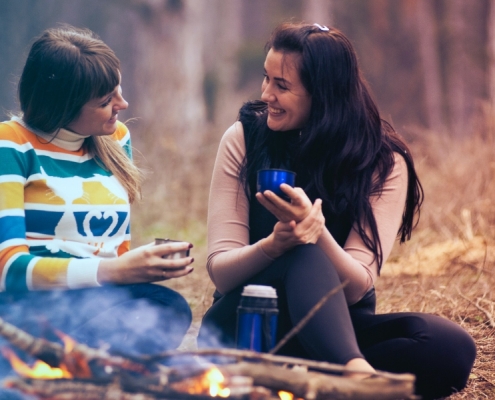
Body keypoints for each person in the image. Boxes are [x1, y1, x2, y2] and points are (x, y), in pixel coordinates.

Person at [198, 22, 476, 399]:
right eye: (266, 79)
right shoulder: (244, 139)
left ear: (323, 94)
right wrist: (274, 245)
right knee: (300, 254)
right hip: (248, 326)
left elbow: (359, 283)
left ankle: (327, 380)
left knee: (449, 347)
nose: (267, 94)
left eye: (282, 86)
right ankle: (353, 377)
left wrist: (318, 233)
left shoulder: (383, 161)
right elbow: (222, 273)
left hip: (335, 328)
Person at [0, 25, 194, 379]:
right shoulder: (12, 144)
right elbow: (9, 270)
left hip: (100, 302)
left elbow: (115, 248)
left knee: (169, 307)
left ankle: (76, 367)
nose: (122, 105)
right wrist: (115, 272)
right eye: (105, 101)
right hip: (33, 307)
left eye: (117, 90)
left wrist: (137, 267)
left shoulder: (116, 138)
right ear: (62, 105)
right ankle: (76, 366)